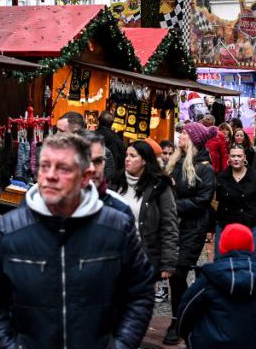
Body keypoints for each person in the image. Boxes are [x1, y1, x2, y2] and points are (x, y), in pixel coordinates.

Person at [0, 132, 154, 348]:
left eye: (63, 168)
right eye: (44, 166)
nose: (50, 175)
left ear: (85, 176)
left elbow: (140, 293)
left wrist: (121, 344)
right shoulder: (11, 229)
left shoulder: (117, 228)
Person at [178, 224, 256, 349]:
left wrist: (188, 337)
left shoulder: (209, 276)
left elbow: (186, 308)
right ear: (251, 246)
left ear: (222, 246)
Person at [162, 122, 216, 345]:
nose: (180, 136)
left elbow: (203, 201)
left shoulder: (204, 168)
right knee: (172, 274)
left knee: (178, 272)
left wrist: (174, 204)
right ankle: (182, 316)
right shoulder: (175, 162)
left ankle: (179, 321)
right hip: (173, 226)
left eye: (184, 133)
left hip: (193, 228)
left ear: (194, 139)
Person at [108, 140, 180, 282]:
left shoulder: (159, 186)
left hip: (144, 256)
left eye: (133, 156)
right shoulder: (115, 183)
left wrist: (168, 263)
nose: (127, 159)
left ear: (144, 161)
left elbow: (169, 225)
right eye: (126, 155)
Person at [214, 146, 256, 256]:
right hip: (226, 226)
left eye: (239, 156)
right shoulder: (221, 178)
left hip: (250, 226)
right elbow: (216, 204)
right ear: (229, 158)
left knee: (247, 260)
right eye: (233, 156)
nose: (236, 159)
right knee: (222, 260)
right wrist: (211, 229)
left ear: (244, 157)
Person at [81, 130, 133, 221]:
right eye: (85, 160)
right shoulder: (55, 204)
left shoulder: (120, 210)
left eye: (98, 161)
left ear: (104, 163)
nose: (92, 168)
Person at [96, 110, 127, 177]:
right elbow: (123, 158)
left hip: (95, 174)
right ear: (112, 123)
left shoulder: (92, 136)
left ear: (99, 121)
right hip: (112, 177)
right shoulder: (117, 139)